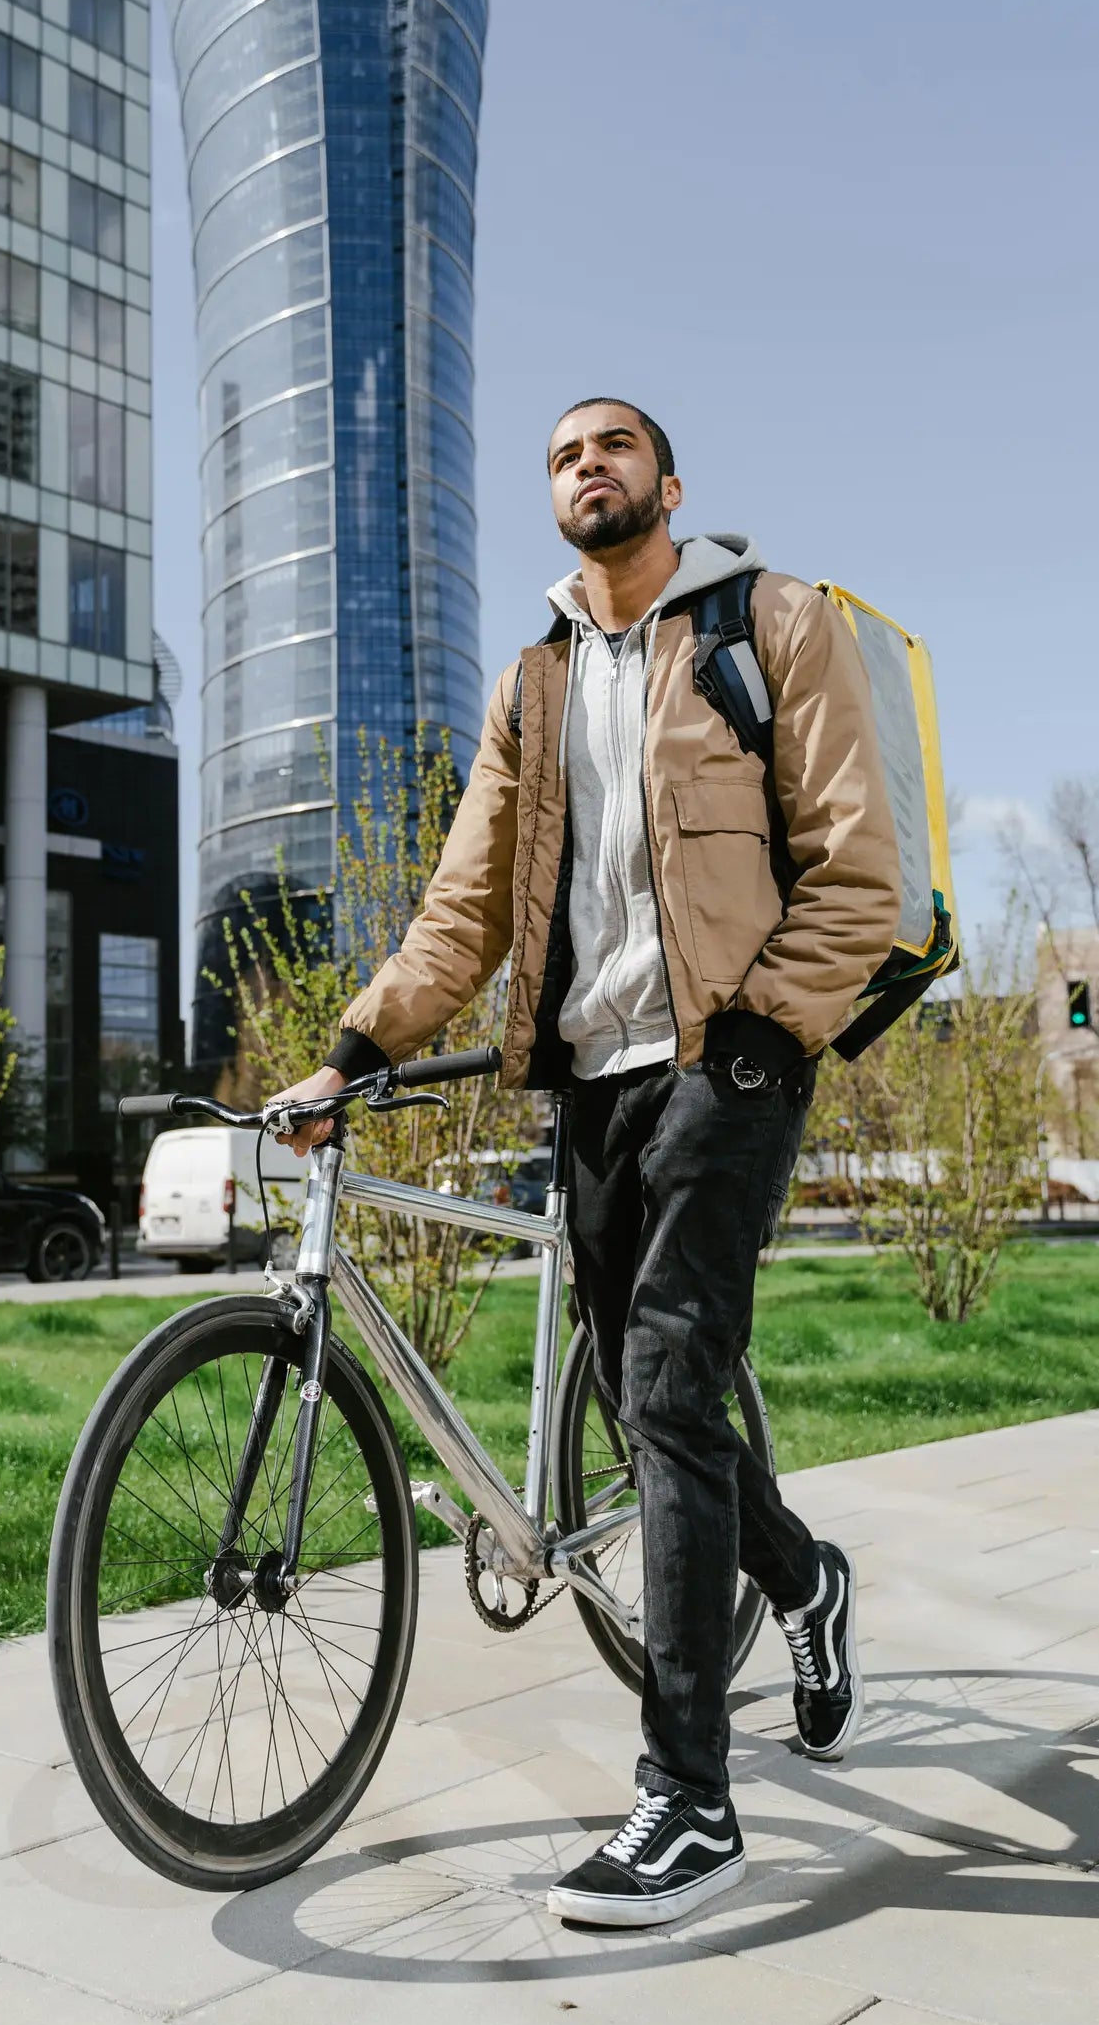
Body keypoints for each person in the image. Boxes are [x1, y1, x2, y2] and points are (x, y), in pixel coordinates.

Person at [268, 398, 901, 1927]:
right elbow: (463, 905)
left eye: (611, 446)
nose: (584, 467)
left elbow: (853, 862)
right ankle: (802, 1579)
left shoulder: (767, 622)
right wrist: (354, 1048)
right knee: (640, 1399)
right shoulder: (533, 684)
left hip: (730, 1055)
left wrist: (763, 1034)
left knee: (673, 1379)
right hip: (591, 1079)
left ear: (667, 485)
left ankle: (687, 1800)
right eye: (560, 456)